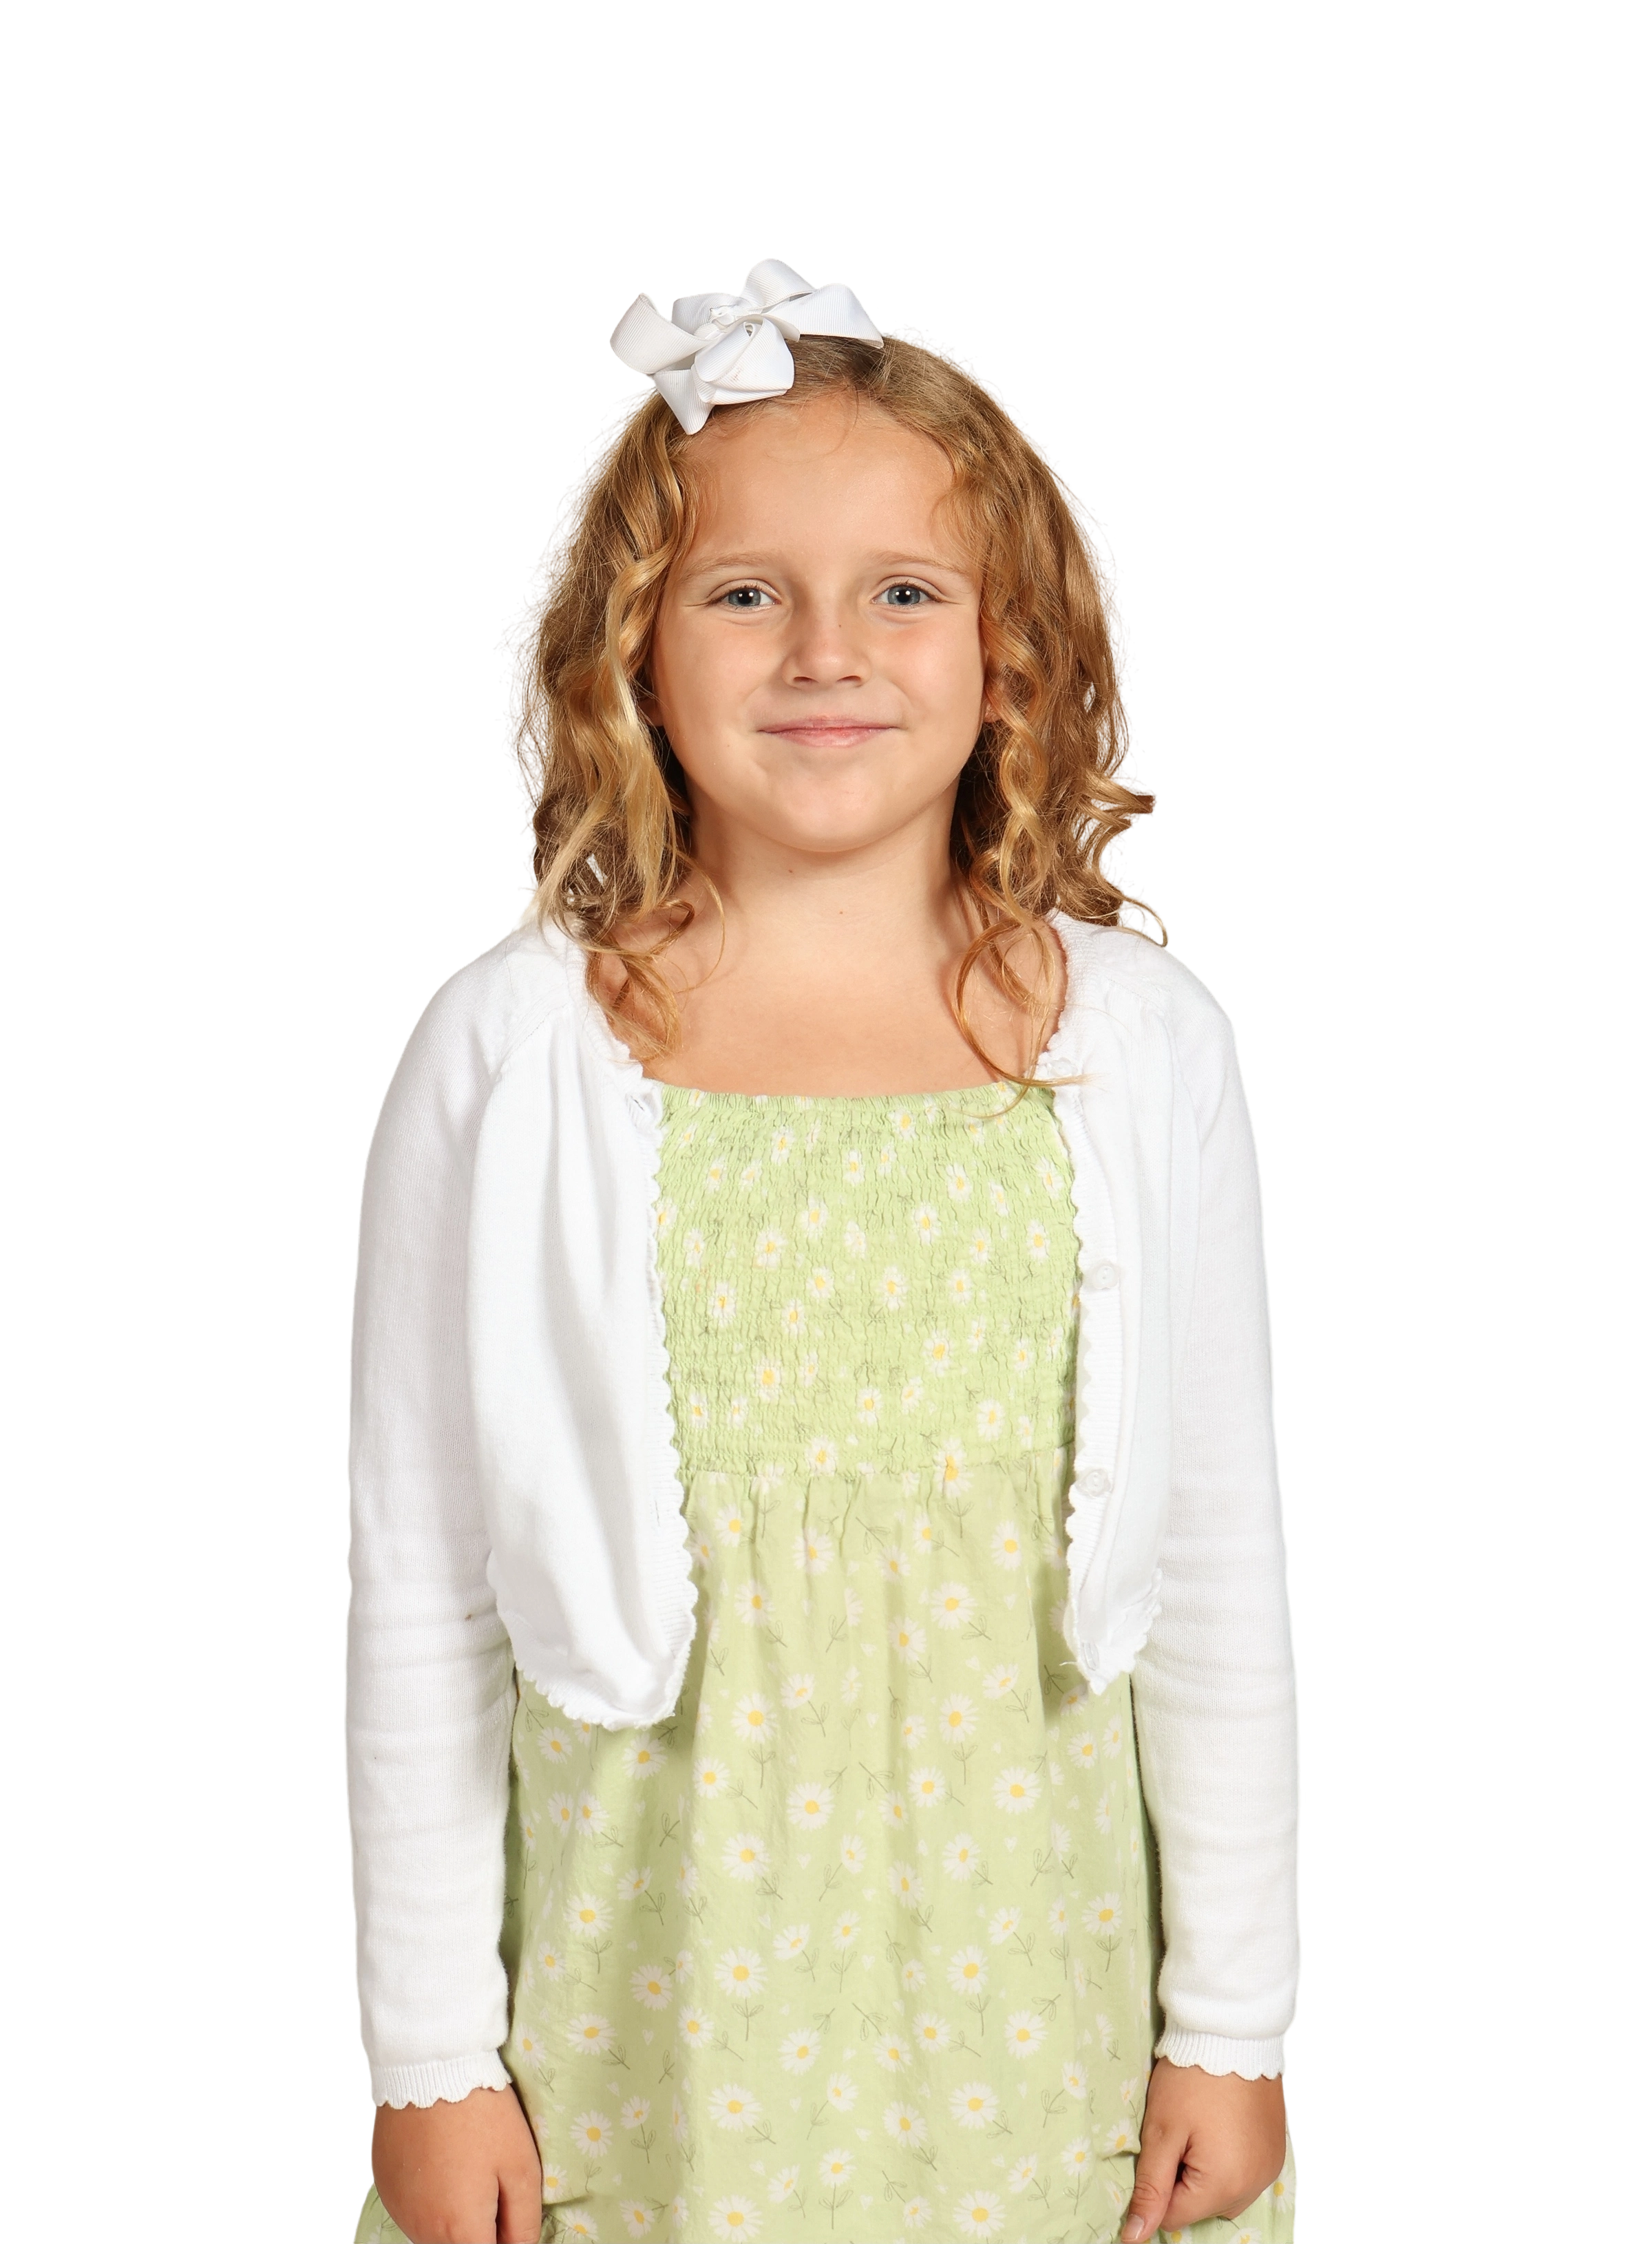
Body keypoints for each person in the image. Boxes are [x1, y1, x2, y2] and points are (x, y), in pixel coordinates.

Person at [343, 260, 1302, 2244]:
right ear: (630, 649)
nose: (825, 654)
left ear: (1013, 652)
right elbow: (425, 1589)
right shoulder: (509, 1055)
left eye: (906, 591)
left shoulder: (1144, 1045)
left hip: (1044, 2023)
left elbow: (1217, 1554)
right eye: (743, 593)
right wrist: (429, 2059)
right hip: (643, 2029)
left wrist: (1233, 2017)